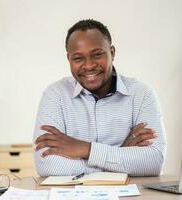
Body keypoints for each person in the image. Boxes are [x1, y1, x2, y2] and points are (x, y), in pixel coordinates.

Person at [33, 19, 166, 176]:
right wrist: (121, 156)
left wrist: (84, 149)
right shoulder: (55, 95)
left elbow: (153, 162)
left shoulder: (142, 94)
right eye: (78, 58)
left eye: (97, 55)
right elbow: (48, 165)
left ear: (112, 53)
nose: (89, 65)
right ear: (69, 59)